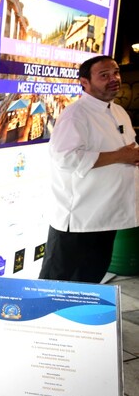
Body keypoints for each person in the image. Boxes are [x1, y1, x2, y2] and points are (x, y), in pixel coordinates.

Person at [39, 55, 139, 283]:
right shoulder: (76, 115)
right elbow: (65, 158)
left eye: (116, 72)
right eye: (104, 75)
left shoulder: (118, 111)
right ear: (84, 82)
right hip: (79, 222)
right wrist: (120, 156)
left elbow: (129, 148)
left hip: (106, 217)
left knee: (90, 283)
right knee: (58, 287)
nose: (114, 79)